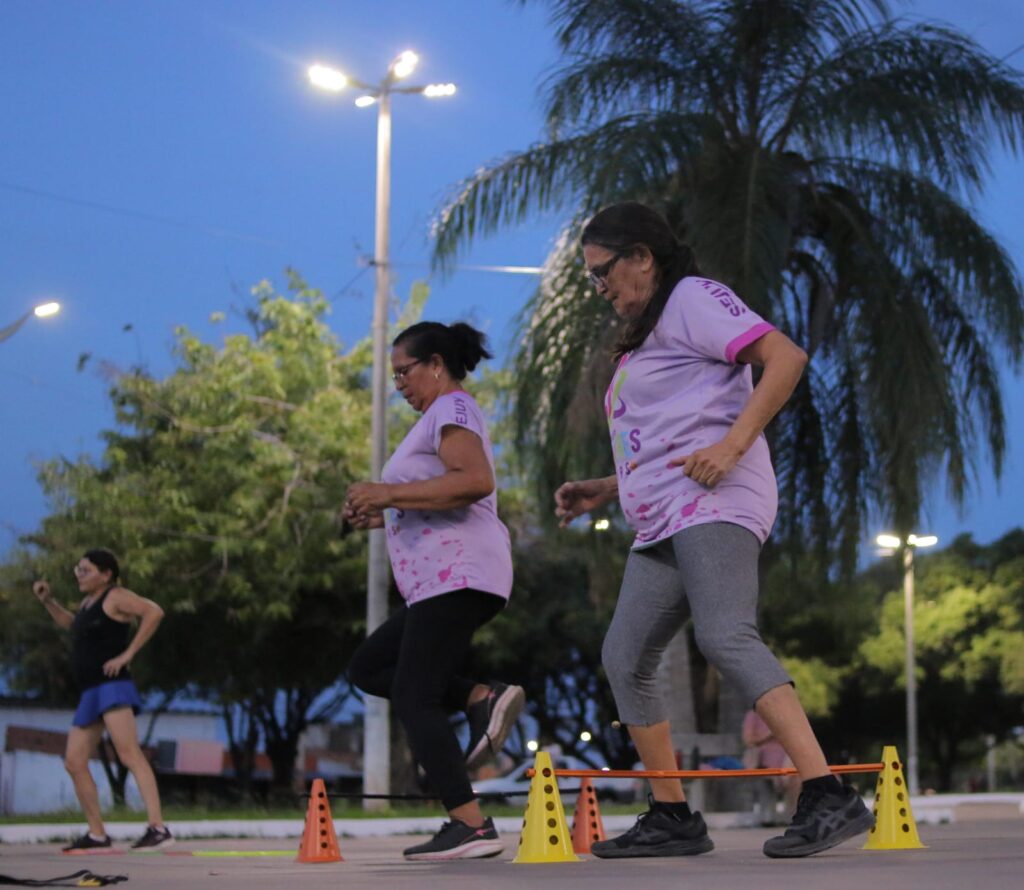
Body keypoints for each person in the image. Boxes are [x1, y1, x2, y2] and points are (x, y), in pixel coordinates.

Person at [554, 202, 873, 859]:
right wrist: (606, 487)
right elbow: (675, 434)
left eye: (603, 272)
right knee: (624, 656)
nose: (600, 288)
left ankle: (827, 792)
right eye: (591, 279)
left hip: (717, 499)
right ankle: (672, 814)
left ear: (643, 256)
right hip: (666, 511)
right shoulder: (649, 333)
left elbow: (785, 357)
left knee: (725, 633)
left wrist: (732, 447)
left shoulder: (693, 298)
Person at [344, 321, 525, 861]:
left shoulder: (452, 409)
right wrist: (383, 512)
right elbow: (438, 496)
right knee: (368, 669)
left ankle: (469, 825)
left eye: (405, 371)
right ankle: (478, 696)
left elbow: (474, 480)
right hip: (440, 580)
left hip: (460, 573)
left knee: (413, 694)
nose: (398, 382)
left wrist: (387, 491)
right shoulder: (434, 419)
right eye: (394, 374)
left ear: (437, 364)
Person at [33, 549, 173, 853]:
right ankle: (97, 835)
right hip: (91, 691)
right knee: (74, 761)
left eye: (86, 570)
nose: (79, 575)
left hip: (112, 687)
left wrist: (128, 654)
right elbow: (72, 625)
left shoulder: (116, 596)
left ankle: (158, 828)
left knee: (128, 753)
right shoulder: (88, 604)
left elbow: (154, 612)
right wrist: (48, 601)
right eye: (78, 570)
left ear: (106, 574)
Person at [743, 708, 800, 822]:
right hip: (764, 759)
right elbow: (748, 740)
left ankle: (793, 816)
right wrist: (770, 733)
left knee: (796, 777)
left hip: (787, 756)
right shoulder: (753, 715)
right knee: (768, 775)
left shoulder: (788, 713)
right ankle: (768, 817)